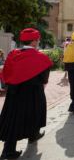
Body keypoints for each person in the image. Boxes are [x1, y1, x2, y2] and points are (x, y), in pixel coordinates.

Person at [0, 28, 53, 159]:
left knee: (13, 119)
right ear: (34, 42)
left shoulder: (12, 54)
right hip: (33, 90)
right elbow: (45, 78)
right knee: (35, 112)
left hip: (14, 92)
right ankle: (33, 135)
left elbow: (5, 74)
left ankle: (8, 150)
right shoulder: (40, 57)